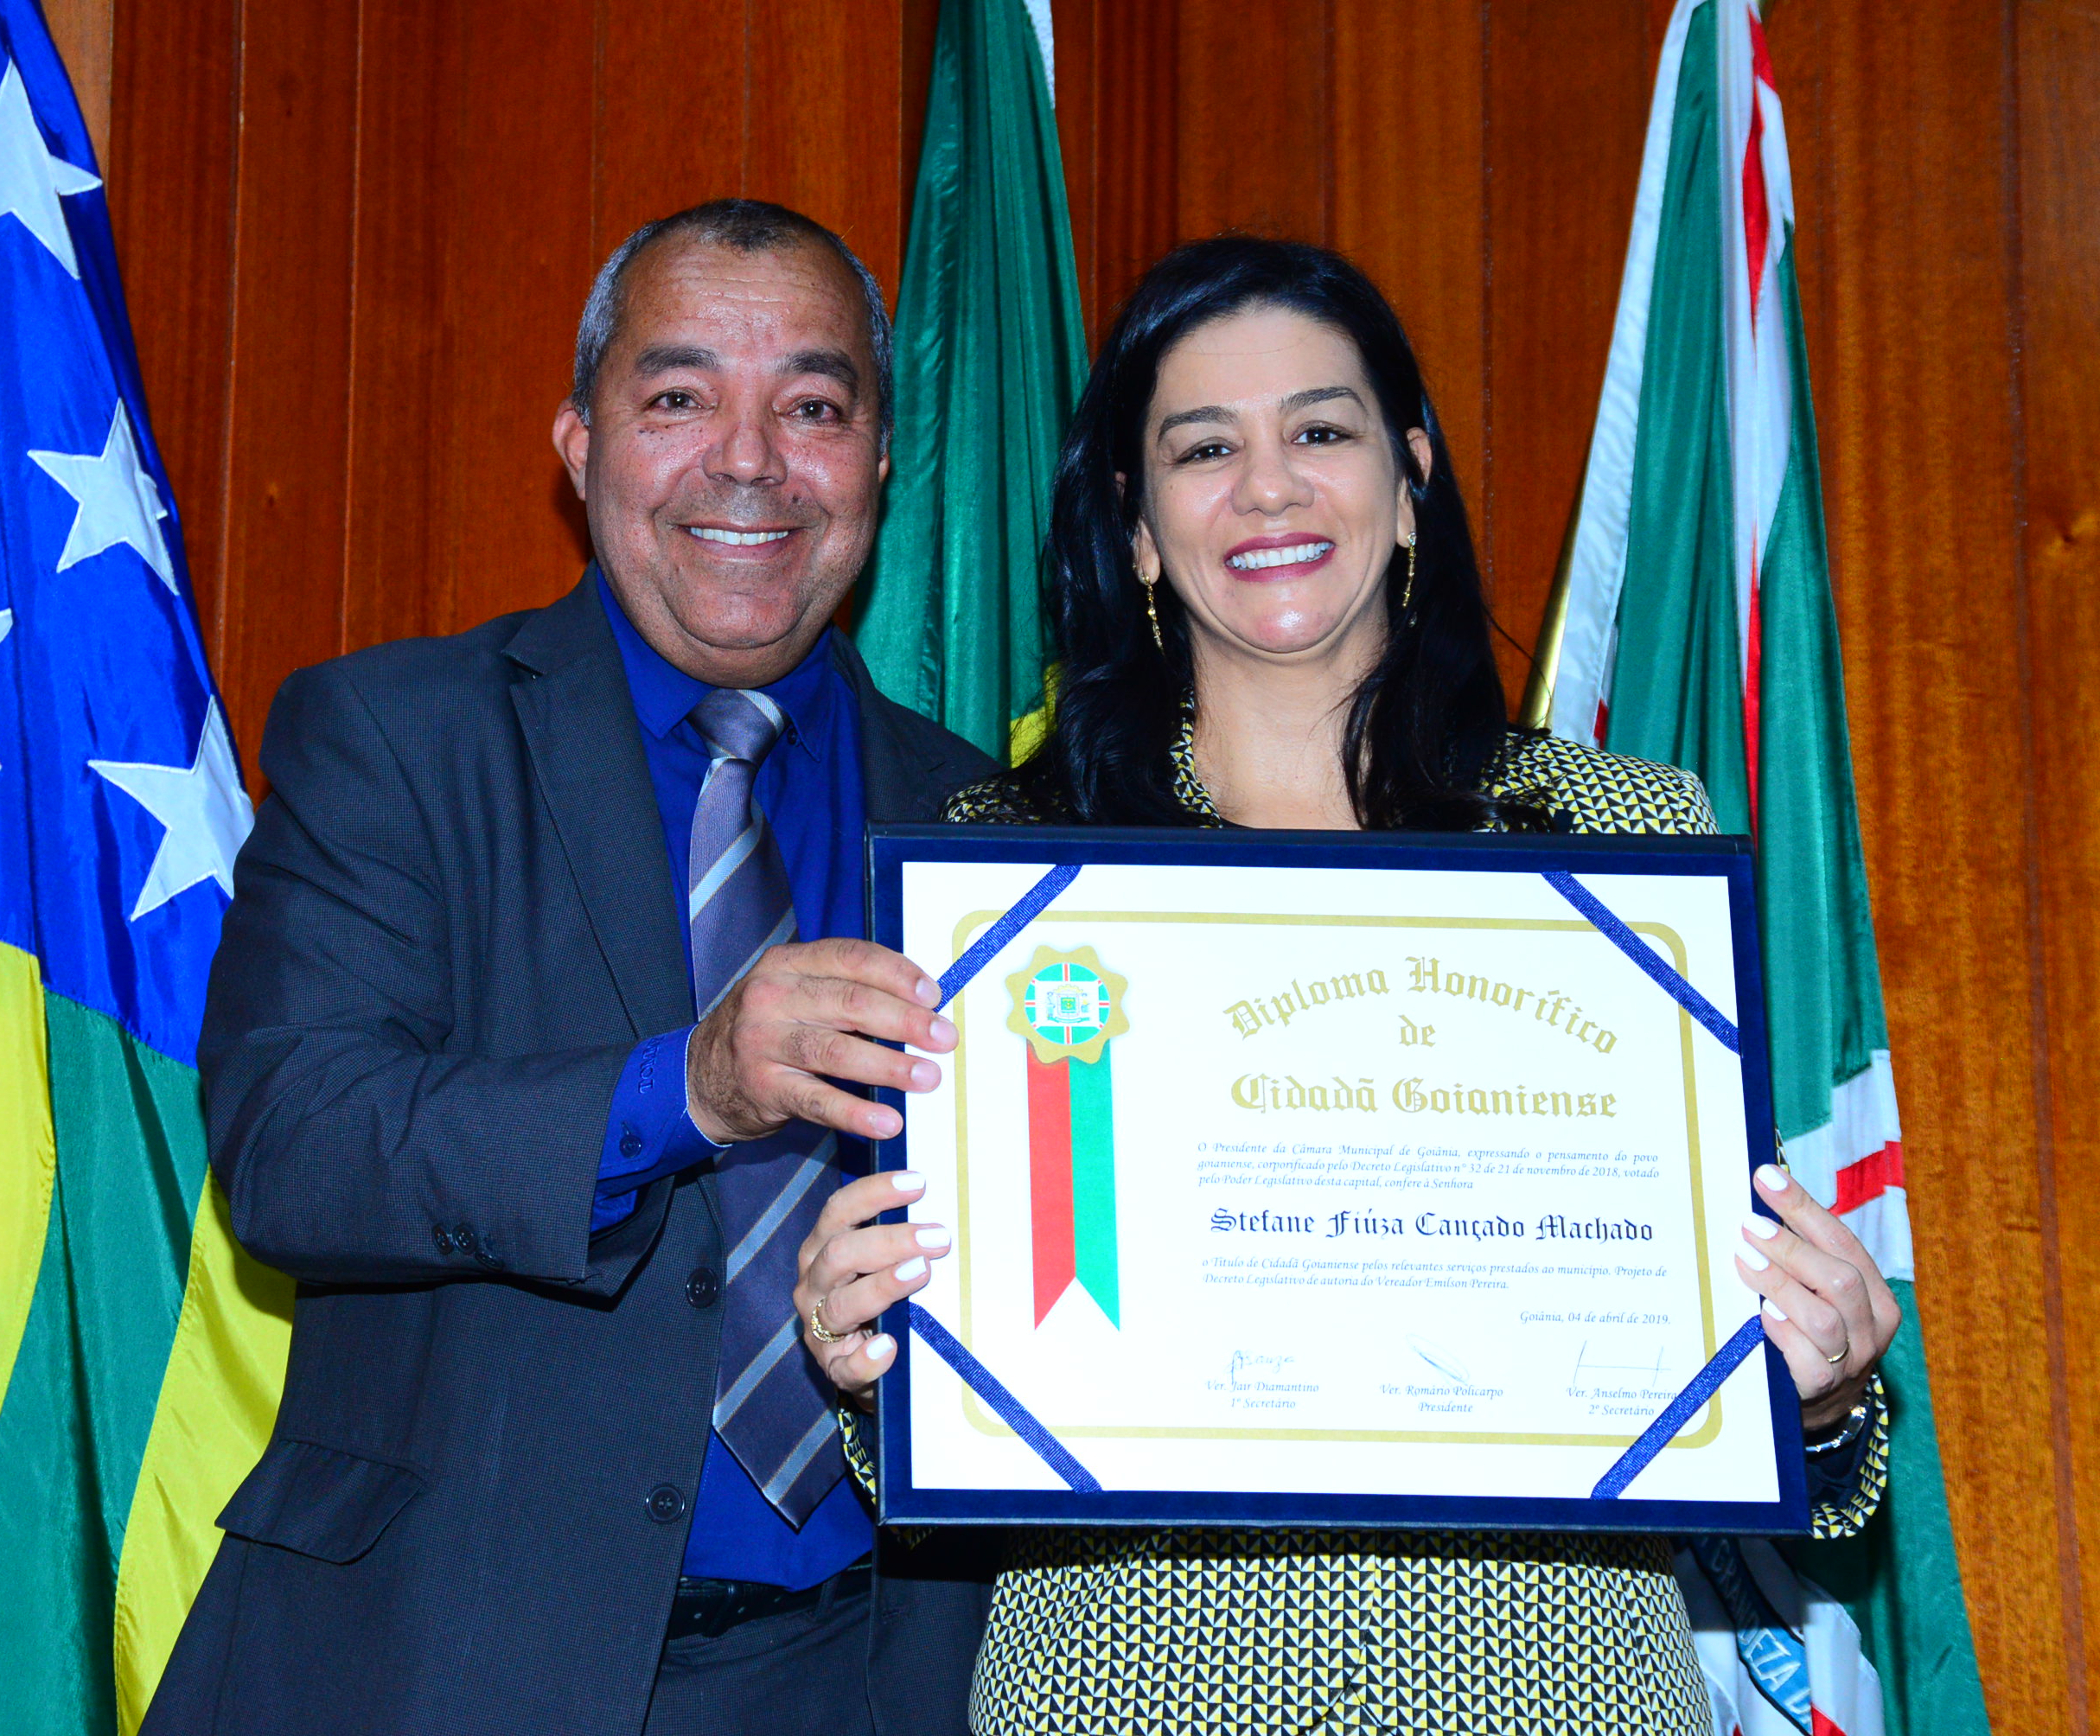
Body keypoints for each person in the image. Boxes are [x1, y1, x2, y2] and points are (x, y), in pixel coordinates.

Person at [793, 237, 1899, 1734]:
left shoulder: (1627, 839)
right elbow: (969, 1417)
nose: (1269, 489)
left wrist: (1817, 1391)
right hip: (1124, 1692)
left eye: (1320, 430)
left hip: (1559, 1689)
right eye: (1204, 449)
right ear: (1135, 527)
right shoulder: (1008, 882)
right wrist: (879, 1361)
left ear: (1410, 477)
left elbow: (1747, 1393)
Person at [143, 200, 998, 1736]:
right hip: (446, 1664)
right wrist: (686, 1090)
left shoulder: (985, 824)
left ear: (879, 459)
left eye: (813, 408)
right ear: (579, 443)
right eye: (679, 399)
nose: (750, 460)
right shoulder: (393, 739)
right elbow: (294, 1150)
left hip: (873, 1680)